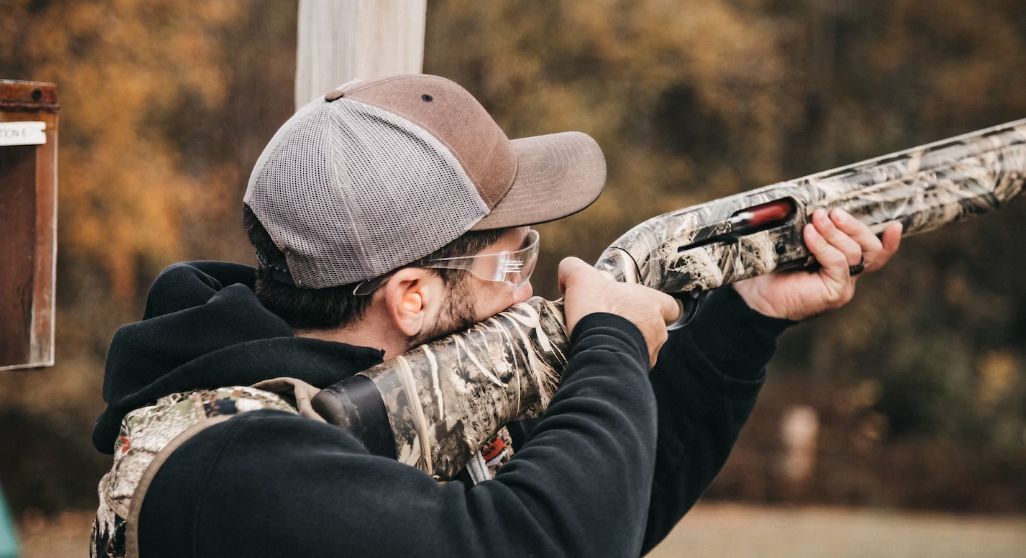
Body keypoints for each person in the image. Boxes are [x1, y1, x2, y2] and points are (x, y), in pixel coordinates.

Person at [90, 74, 901, 558]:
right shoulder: (232, 470)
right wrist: (609, 342)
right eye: (515, 258)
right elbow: (546, 544)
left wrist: (744, 318)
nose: (528, 289)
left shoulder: (376, 407)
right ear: (412, 296)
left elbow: (606, 511)